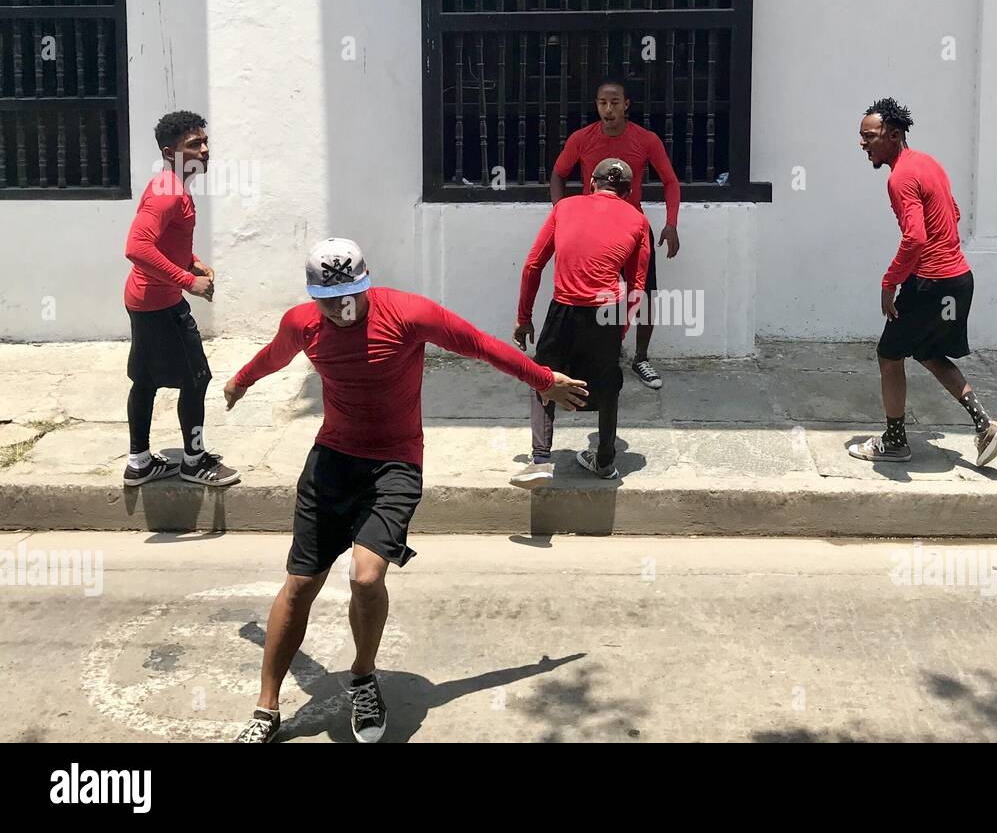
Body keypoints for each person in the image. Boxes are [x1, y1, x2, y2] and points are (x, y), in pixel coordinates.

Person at [225, 238, 587, 742]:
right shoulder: (301, 323)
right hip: (331, 463)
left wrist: (542, 379)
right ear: (314, 297)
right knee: (301, 585)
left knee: (367, 578)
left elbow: (479, 344)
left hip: (395, 463)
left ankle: (363, 677)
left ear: (366, 283)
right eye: (329, 301)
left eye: (350, 295)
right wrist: (240, 382)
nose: (341, 309)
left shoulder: (408, 313)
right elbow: (272, 356)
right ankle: (266, 708)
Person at [851, 97, 997, 468]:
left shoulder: (900, 177)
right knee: (927, 352)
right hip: (958, 281)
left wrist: (890, 282)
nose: (862, 143)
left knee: (889, 355)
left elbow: (915, 237)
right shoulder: (927, 163)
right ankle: (986, 425)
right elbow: (952, 213)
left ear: (892, 135)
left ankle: (893, 441)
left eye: (868, 136)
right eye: (860, 136)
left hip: (930, 284)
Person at [513, 158, 651, 486]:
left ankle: (541, 460)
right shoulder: (638, 219)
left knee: (543, 378)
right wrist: (622, 327)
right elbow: (637, 285)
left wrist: (524, 318)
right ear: (629, 192)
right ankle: (604, 460)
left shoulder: (564, 207)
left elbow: (533, 265)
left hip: (563, 308)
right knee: (608, 383)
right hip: (608, 311)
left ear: (591, 183)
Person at [122, 110, 238, 487]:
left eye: (205, 142)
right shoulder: (169, 193)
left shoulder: (170, 185)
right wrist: (187, 280)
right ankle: (193, 461)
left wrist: (193, 261)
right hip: (160, 303)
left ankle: (140, 463)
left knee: (146, 379)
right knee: (197, 377)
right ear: (170, 152)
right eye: (194, 145)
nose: (205, 150)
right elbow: (137, 247)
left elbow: (163, 243)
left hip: (144, 299)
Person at [550, 76, 680, 390]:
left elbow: (670, 182)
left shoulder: (646, 139)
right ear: (596, 105)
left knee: (645, 293)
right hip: (590, 229)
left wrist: (671, 223)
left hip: (633, 227)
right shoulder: (582, 138)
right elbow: (558, 174)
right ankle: (586, 354)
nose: (608, 109)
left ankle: (641, 358)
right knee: (587, 292)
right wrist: (561, 213)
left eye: (614, 103)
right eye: (602, 103)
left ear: (626, 105)